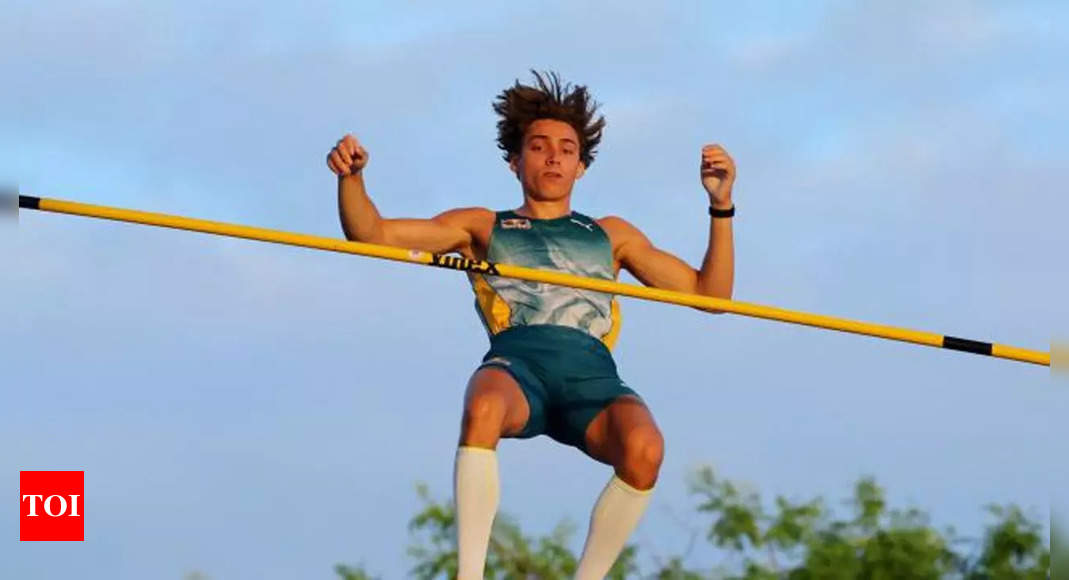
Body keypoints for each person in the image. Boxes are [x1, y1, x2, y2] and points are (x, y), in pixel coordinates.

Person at [326, 71, 735, 579]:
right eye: (539, 147)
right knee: (483, 406)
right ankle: (469, 574)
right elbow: (372, 234)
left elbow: (712, 297)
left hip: (593, 377)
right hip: (519, 364)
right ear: (516, 161)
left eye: (566, 148)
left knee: (646, 448)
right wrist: (352, 178)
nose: (554, 156)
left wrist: (721, 207)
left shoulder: (611, 235)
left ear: (582, 166)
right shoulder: (481, 225)